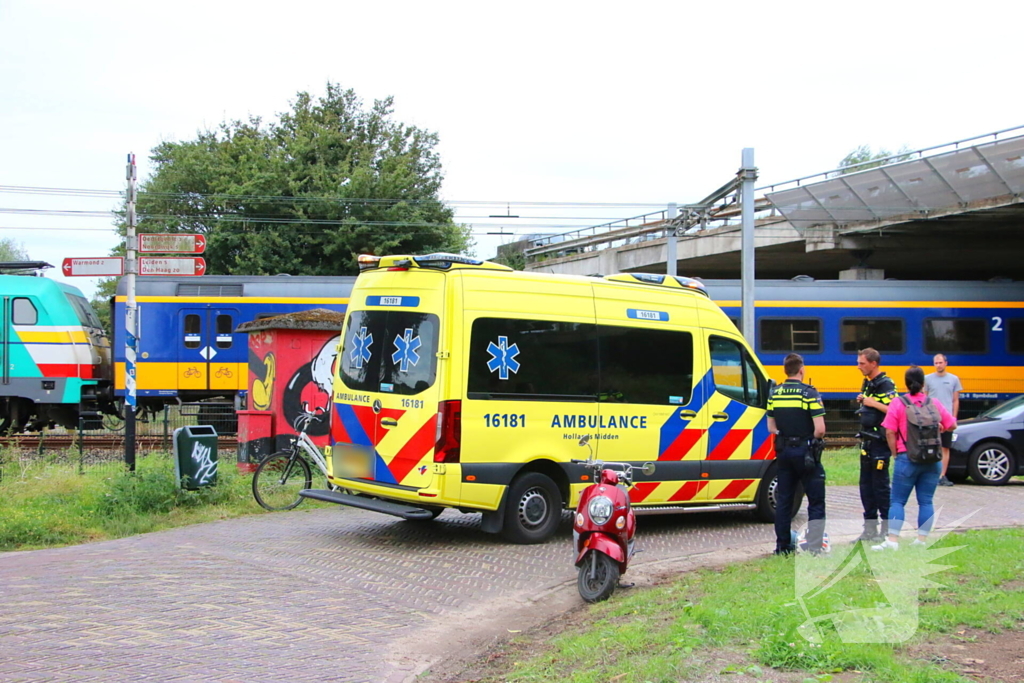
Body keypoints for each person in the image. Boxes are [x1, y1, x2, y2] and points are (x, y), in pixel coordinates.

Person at [873, 366, 956, 550]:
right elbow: (952, 425)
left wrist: (895, 453)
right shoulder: (933, 402)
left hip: (907, 459)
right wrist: (941, 427)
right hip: (933, 460)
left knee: (897, 501)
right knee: (926, 500)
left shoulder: (898, 403)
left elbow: (889, 432)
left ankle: (893, 541)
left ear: (906, 383)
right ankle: (922, 540)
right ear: (923, 383)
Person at [767, 353, 827, 555]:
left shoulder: (774, 393)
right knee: (816, 500)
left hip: (784, 451)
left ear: (785, 370)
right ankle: (814, 546)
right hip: (806, 452)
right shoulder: (809, 393)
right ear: (801, 370)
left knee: (784, 500)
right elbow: (820, 429)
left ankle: (782, 547)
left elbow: (771, 426)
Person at [853, 347, 896, 543]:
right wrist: (863, 401)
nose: (858, 366)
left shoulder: (886, 384)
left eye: (862, 363)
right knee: (866, 487)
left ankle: (886, 530)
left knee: (880, 487)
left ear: (873, 363)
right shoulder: (867, 383)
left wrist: (871, 403)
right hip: (866, 441)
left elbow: (893, 410)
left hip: (879, 443)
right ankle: (869, 530)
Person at [925, 353, 962, 486]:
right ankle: (931, 475)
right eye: (936, 363)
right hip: (932, 418)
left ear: (946, 363)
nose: (938, 365)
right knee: (931, 445)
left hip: (946, 419)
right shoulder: (927, 379)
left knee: (945, 447)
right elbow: (925, 398)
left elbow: (955, 400)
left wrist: (953, 417)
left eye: (940, 362)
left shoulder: (954, 379)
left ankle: (942, 475)